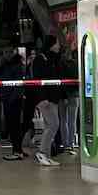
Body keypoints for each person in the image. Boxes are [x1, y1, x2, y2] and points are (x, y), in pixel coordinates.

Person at [30, 36, 62, 167]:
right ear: (52, 44)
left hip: (53, 97)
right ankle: (42, 153)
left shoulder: (53, 58)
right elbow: (37, 80)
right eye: (57, 43)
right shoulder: (40, 58)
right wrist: (42, 98)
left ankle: (46, 155)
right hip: (45, 99)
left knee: (52, 125)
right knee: (54, 124)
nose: (59, 46)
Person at [0, 48, 28, 161]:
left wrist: (11, 99)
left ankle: (17, 151)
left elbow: (17, 85)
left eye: (8, 52)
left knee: (14, 126)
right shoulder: (7, 65)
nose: (6, 54)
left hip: (12, 100)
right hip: (11, 99)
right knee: (15, 126)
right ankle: (18, 149)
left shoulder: (15, 66)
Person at [58, 49, 79, 153]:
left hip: (62, 96)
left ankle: (64, 142)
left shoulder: (59, 65)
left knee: (63, 120)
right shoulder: (76, 64)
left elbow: (60, 81)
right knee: (72, 121)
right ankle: (71, 143)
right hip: (74, 94)